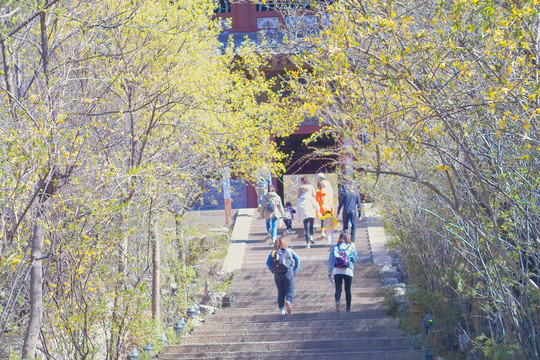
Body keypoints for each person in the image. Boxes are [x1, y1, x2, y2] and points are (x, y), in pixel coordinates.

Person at [266, 237, 300, 314]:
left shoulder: (273, 252)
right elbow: (297, 259)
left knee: (280, 291)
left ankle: (282, 309)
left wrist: (273, 270)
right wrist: (295, 268)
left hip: (277, 274)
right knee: (289, 289)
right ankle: (288, 301)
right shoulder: (289, 250)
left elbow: (268, 263)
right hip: (288, 272)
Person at [328, 232, 358, 312]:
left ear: (340, 238)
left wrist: (330, 271)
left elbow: (331, 260)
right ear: (348, 238)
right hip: (348, 270)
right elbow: (355, 259)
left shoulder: (335, 247)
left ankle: (337, 301)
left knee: (338, 289)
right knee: (347, 289)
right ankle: (348, 308)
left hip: (337, 270)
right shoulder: (351, 246)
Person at [316, 178, 335, 244]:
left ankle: (323, 231)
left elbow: (317, 202)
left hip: (322, 209)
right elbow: (330, 200)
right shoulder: (327, 191)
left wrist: (317, 210)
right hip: (328, 208)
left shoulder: (318, 193)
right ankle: (330, 241)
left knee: (322, 221)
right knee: (329, 225)